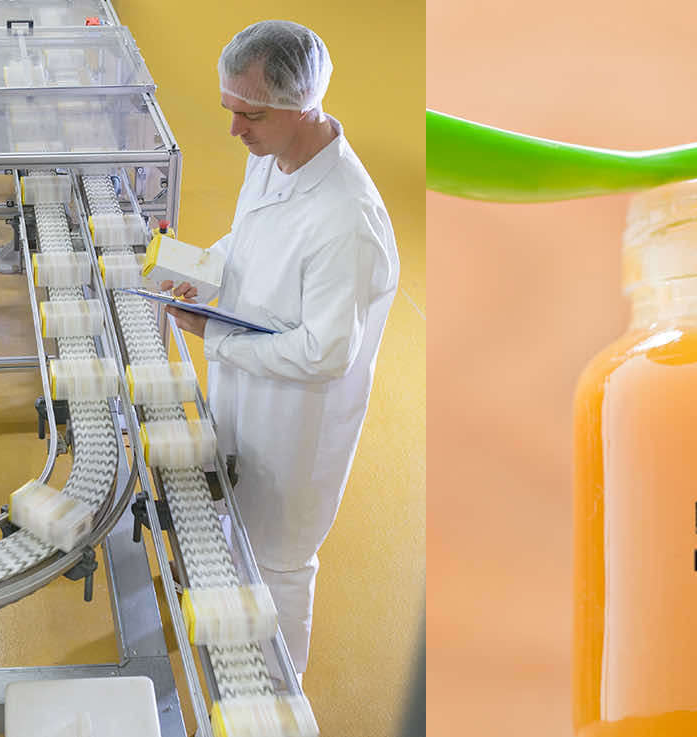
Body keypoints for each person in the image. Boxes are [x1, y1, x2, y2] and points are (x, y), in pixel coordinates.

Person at [163, 19, 400, 676]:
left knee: (280, 561)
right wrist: (195, 266)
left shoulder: (347, 219)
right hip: (246, 383)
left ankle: (279, 691)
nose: (235, 129)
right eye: (230, 109)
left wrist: (217, 338)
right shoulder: (271, 156)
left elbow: (326, 354)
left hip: (299, 424)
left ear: (303, 105)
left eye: (252, 114)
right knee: (237, 528)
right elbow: (250, 238)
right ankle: (231, 648)